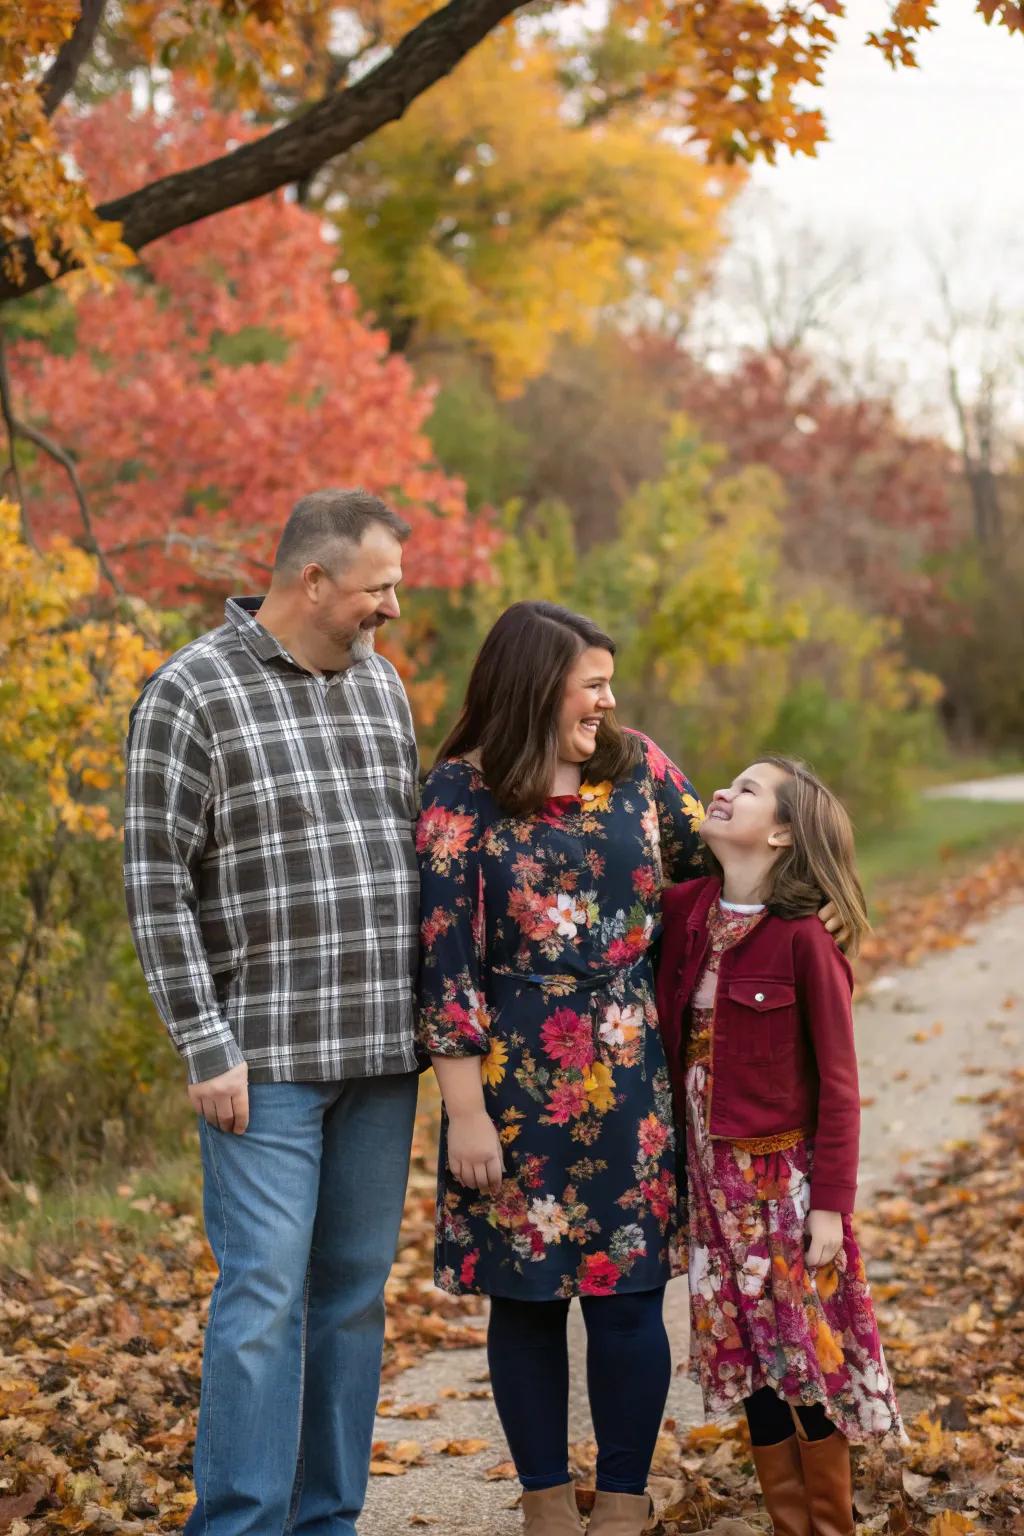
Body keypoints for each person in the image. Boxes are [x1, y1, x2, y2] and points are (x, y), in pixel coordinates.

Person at [123, 488, 421, 1536]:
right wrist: (204, 1044)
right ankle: (242, 1526)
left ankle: (325, 1522)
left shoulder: (383, 688)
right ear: (313, 579)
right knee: (261, 1306)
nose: (392, 606)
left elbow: (407, 850)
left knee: (350, 1299)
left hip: (384, 1052)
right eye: (379, 586)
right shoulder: (189, 693)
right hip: (265, 1061)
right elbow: (155, 885)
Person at [416, 601, 706, 1536]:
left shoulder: (639, 769)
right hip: (509, 1086)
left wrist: (806, 907)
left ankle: (623, 1501)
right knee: (527, 1301)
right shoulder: (460, 793)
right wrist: (464, 1111)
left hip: (631, 1078)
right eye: (592, 684)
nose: (608, 700)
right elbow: (444, 956)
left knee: (629, 1299)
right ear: (539, 687)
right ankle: (545, 1500)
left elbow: (717, 865)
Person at [657, 757, 903, 1536]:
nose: (724, 792)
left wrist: (831, 1206)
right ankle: (788, 1523)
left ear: (783, 832)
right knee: (747, 1354)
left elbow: (838, 1084)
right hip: (711, 1190)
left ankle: (830, 1525)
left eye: (750, 789)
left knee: (805, 1358)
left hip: (781, 1187)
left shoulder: (804, 938)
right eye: (728, 782)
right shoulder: (685, 910)